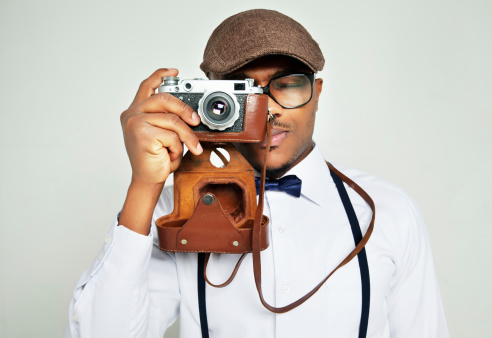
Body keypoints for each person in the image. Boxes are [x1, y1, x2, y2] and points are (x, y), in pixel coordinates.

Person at [65, 9, 449, 338]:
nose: (269, 110)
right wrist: (144, 187)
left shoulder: (389, 212)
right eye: (245, 90)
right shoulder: (174, 210)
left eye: (288, 85)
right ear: (210, 100)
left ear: (317, 92)